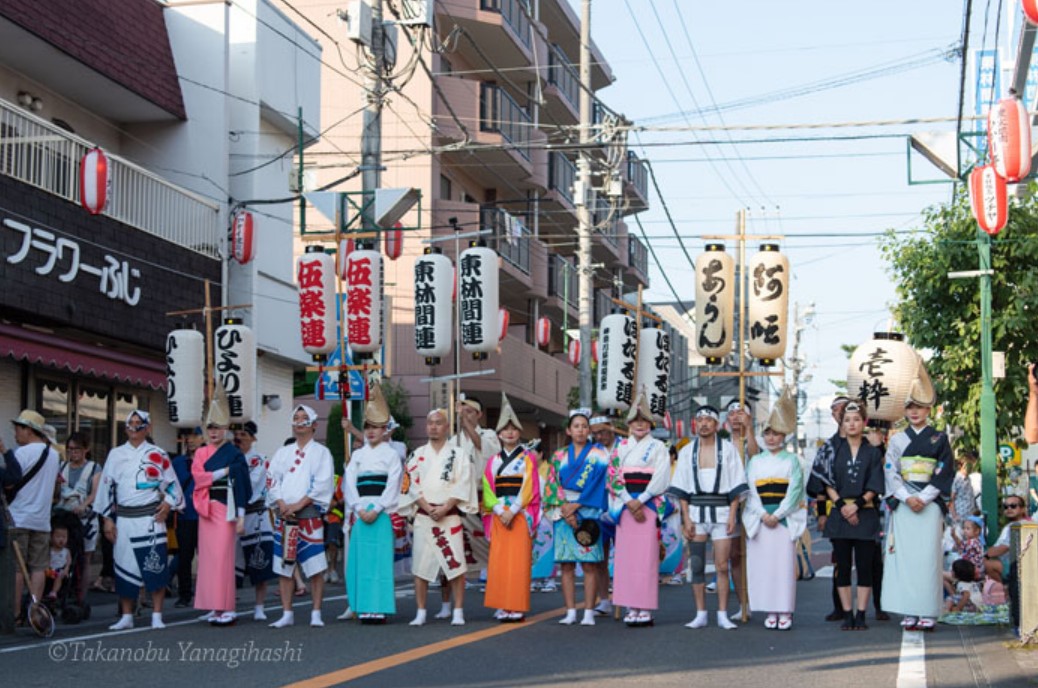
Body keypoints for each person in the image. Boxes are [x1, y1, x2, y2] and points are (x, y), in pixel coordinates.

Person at [96, 410, 184, 630]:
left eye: (139, 423)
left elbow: (172, 485)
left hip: (150, 518)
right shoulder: (115, 454)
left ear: (148, 427)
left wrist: (167, 505)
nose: (134, 427)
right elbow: (106, 487)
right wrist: (107, 518)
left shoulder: (158, 453)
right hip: (124, 518)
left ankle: (157, 614)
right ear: (125, 427)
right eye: (131, 423)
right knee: (124, 566)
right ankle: (126, 616)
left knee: (154, 566)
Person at [881, 374, 955, 632]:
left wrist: (923, 497)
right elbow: (890, 471)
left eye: (919, 407)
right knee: (905, 558)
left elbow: (945, 471)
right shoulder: (898, 439)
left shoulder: (940, 438)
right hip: (904, 502)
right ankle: (909, 609)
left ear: (928, 409)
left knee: (927, 558)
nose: (914, 412)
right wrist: (905, 496)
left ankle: (928, 610)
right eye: (910, 407)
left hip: (929, 502)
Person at [669, 405, 748, 630]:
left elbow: (736, 483)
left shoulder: (728, 449)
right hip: (695, 512)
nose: (703, 424)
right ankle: (700, 613)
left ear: (716, 425)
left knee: (722, 565)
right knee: (697, 564)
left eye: (708, 420)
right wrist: (686, 518)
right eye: (700, 420)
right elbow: (682, 487)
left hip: (722, 512)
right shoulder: (686, 451)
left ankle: (722, 613)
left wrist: (733, 514)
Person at [399, 408, 478, 626]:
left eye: (438, 423)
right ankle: (421, 611)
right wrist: (425, 505)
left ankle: (458, 610)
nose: (433, 426)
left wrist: (445, 507)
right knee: (420, 567)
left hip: (449, 515)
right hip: (425, 517)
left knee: (455, 565)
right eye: (430, 422)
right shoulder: (417, 454)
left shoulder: (458, 454)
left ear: (446, 427)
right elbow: (410, 483)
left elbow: (464, 483)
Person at [811, 401, 885, 630]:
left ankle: (861, 613)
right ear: (842, 423)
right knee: (842, 566)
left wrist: (858, 505)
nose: (851, 424)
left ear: (863, 422)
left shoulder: (872, 451)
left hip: (866, 513)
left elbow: (876, 482)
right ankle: (846, 613)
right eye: (847, 420)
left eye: (856, 419)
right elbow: (827, 481)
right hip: (839, 512)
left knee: (864, 567)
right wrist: (842, 505)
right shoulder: (833, 450)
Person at [267, 405, 335, 628]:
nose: (299, 421)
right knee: (285, 564)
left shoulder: (322, 452)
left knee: (316, 565)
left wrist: (298, 504)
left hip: (309, 515)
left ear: (314, 425)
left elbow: (323, 484)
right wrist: (281, 503)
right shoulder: (282, 452)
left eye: (304, 418)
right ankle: (287, 612)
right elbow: (272, 479)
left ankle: (316, 612)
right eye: (296, 418)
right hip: (285, 515)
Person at [743, 391, 806, 631]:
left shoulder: (792, 461)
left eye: (776, 433)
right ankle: (770, 609)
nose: (771, 438)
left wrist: (777, 515)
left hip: (783, 520)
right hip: (761, 519)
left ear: (784, 436)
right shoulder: (755, 462)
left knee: (783, 566)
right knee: (764, 567)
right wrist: (762, 514)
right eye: (767, 433)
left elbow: (795, 490)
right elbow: (750, 491)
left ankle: (785, 610)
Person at [607, 391, 671, 626]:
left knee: (646, 559)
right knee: (626, 560)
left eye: (644, 421)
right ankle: (630, 606)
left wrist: (641, 499)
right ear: (629, 423)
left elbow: (662, 476)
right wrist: (627, 499)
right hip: (625, 507)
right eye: (635, 421)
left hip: (648, 504)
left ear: (650, 423)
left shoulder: (658, 447)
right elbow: (613, 475)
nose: (640, 425)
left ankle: (644, 607)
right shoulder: (621, 447)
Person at [543, 408, 610, 626]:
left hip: (588, 510)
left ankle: (589, 611)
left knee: (590, 564)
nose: (580, 430)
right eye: (576, 426)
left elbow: (600, 483)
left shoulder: (599, 455)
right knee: (567, 564)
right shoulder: (559, 455)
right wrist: (565, 507)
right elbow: (552, 483)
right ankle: (570, 610)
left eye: (584, 426)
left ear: (589, 430)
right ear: (569, 431)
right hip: (564, 511)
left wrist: (576, 506)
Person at [342, 384, 403, 623]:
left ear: (385, 429)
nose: (370, 431)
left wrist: (377, 508)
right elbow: (349, 483)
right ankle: (363, 605)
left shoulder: (391, 455)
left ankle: (379, 606)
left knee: (380, 561)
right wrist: (358, 507)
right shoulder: (357, 455)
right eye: (367, 426)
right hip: (361, 512)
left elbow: (393, 483)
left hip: (381, 512)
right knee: (362, 561)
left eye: (376, 427)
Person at [191, 388, 251, 626]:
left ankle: (226, 606)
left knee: (223, 558)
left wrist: (241, 516)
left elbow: (243, 484)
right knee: (207, 559)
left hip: (226, 509)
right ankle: (212, 605)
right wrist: (223, 472)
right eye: (210, 428)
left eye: (218, 428)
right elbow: (198, 478)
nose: (214, 432)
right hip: (207, 508)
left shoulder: (234, 454)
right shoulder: (201, 452)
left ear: (226, 429)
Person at [482, 393, 540, 623]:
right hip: (500, 514)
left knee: (518, 562)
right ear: (498, 434)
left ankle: (515, 605)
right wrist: (498, 510)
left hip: (518, 513)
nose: (509, 432)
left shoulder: (527, 458)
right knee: (498, 562)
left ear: (519, 432)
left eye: (513, 428)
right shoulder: (493, 461)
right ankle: (501, 604)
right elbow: (487, 487)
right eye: (505, 429)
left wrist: (513, 509)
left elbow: (530, 486)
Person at [6, 410, 61, 626]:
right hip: (42, 520)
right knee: (38, 567)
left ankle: (16, 614)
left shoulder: (21, 453)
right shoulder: (54, 455)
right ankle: (36, 613)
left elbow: (10, 482)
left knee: (17, 569)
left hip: (18, 517)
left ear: (29, 430)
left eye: (18, 428)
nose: (16, 433)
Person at [810, 395, 851, 622]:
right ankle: (840, 606)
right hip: (836, 508)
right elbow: (820, 485)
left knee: (871, 560)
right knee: (840, 560)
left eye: (844, 408)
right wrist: (822, 513)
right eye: (836, 410)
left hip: (865, 507)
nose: (840, 412)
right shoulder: (827, 447)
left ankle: (876, 605)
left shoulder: (866, 442)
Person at [233, 420, 276, 620]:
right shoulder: (229, 457)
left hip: (255, 513)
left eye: (244, 434)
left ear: (253, 438)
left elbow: (250, 483)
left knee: (260, 561)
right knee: (231, 563)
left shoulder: (259, 459)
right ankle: (227, 605)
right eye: (238, 434)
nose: (239, 438)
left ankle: (259, 607)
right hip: (233, 515)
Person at [55, 431, 101, 600]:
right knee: (60, 555)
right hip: (64, 518)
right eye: (69, 449)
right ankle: (58, 592)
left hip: (85, 519)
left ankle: (80, 596)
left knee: (85, 558)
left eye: (76, 449)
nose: (72, 453)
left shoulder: (94, 468)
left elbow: (95, 493)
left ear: (86, 449)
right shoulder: (62, 466)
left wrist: (84, 505)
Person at [589, 415, 620, 615]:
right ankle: (604, 599)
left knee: (624, 556)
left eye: (603, 432)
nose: (600, 437)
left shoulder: (624, 446)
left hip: (620, 506)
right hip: (599, 507)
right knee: (600, 556)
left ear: (612, 429)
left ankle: (625, 597)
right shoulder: (592, 451)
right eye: (596, 433)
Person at [171, 426, 203, 607]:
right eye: (187, 436)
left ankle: (206, 593)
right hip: (185, 515)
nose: (190, 440)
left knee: (206, 558)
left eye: (194, 435)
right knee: (184, 557)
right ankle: (184, 594)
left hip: (205, 516)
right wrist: (174, 502)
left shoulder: (210, 460)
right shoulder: (177, 462)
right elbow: (168, 484)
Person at [984, 495, 1032, 583]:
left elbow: (1004, 548)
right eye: (1006, 507)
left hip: (1016, 566)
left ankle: (1004, 590)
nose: (1009, 509)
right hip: (1018, 565)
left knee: (986, 564)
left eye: (1013, 506)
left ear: (1022, 509)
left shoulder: (1018, 525)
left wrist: (985, 556)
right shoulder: (1028, 523)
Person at [44, 524, 72, 601]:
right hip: (50, 570)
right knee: (41, 573)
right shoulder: (50, 550)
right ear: (52, 537)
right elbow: (46, 560)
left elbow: (69, 562)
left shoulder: (66, 551)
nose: (61, 540)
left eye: (64, 537)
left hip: (61, 571)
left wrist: (67, 568)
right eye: (58, 537)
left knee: (59, 576)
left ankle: (54, 592)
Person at [949, 453, 976, 532]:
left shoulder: (968, 479)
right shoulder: (958, 479)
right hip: (959, 517)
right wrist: (954, 516)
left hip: (968, 516)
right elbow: (951, 499)